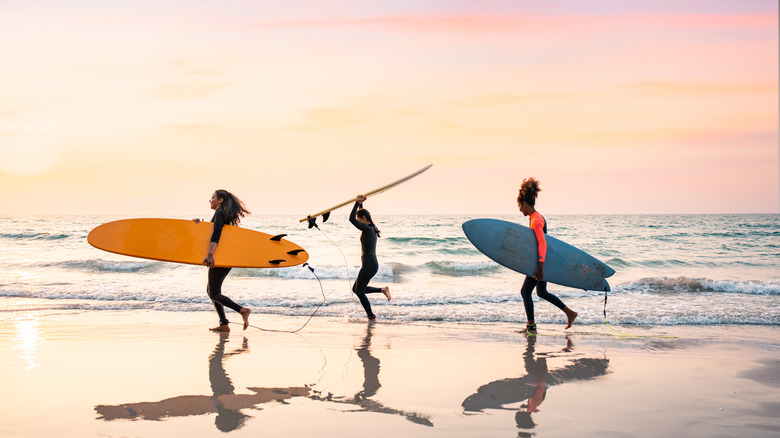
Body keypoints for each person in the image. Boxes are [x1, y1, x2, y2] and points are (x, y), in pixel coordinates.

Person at [517, 178, 577, 333]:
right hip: (542, 261)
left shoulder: (536, 220)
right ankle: (570, 313)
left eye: (519, 206)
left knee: (525, 292)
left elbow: (542, 244)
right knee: (541, 292)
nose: (519, 210)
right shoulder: (534, 218)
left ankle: (531, 326)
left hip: (540, 263)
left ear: (525, 203)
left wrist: (540, 266)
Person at [194, 190, 252, 332]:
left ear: (220, 200)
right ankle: (224, 323)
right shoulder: (221, 214)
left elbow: (217, 233)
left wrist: (210, 254)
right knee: (212, 291)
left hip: (220, 257)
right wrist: (199, 226)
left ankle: (242, 310)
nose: (210, 200)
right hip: (226, 256)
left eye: (212, 197)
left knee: (214, 293)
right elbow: (213, 230)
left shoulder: (220, 213)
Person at [349, 195, 391, 320]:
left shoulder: (367, 229)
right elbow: (359, 216)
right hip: (370, 264)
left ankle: (371, 316)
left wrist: (357, 203)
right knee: (356, 289)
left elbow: (351, 219)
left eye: (359, 219)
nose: (358, 221)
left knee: (359, 291)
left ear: (364, 218)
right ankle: (382, 290)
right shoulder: (371, 228)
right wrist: (361, 204)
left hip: (369, 265)